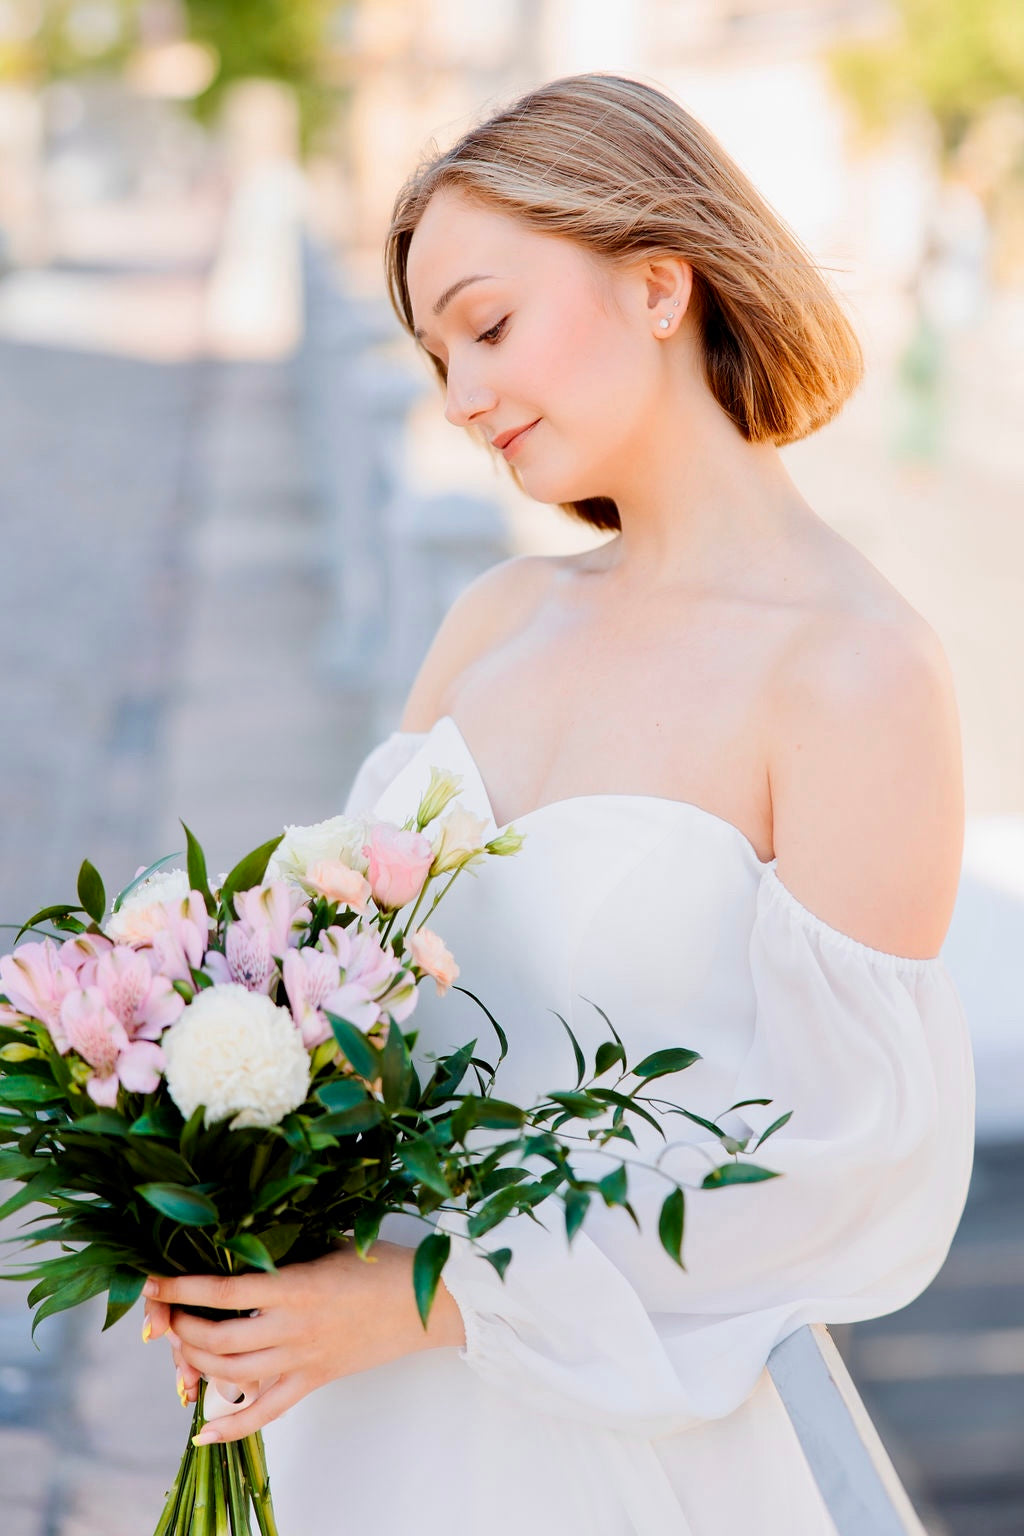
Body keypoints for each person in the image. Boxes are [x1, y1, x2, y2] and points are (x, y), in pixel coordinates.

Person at [143, 73, 975, 1533]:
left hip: (619, 1449)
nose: (462, 398)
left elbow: (846, 1174)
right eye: (435, 354)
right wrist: (227, 1204)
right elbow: (335, 986)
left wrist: (421, 1302)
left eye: (490, 325)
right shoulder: (496, 614)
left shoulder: (856, 672)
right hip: (356, 1419)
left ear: (662, 284)